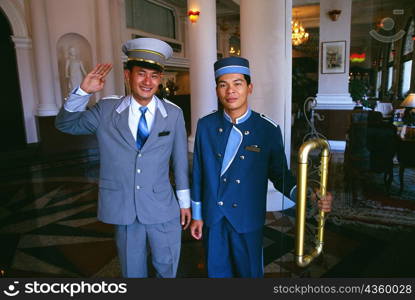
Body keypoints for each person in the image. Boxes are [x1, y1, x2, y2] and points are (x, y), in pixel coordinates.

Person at [55, 38, 191, 278]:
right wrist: (83, 91)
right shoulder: (106, 110)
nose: (148, 82)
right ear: (128, 75)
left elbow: (180, 161)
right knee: (132, 270)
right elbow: (65, 124)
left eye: (154, 76)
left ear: (160, 79)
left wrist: (184, 202)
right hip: (124, 208)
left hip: (162, 206)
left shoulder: (172, 113)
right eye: (141, 74)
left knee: (167, 264)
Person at [190, 56, 332, 278]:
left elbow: (280, 174)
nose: (230, 91)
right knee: (215, 274)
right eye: (223, 85)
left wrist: (309, 195)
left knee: (250, 275)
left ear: (249, 87)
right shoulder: (206, 125)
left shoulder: (267, 129)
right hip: (213, 219)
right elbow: (198, 171)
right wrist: (198, 215)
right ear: (217, 90)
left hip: (247, 219)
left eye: (237, 83)